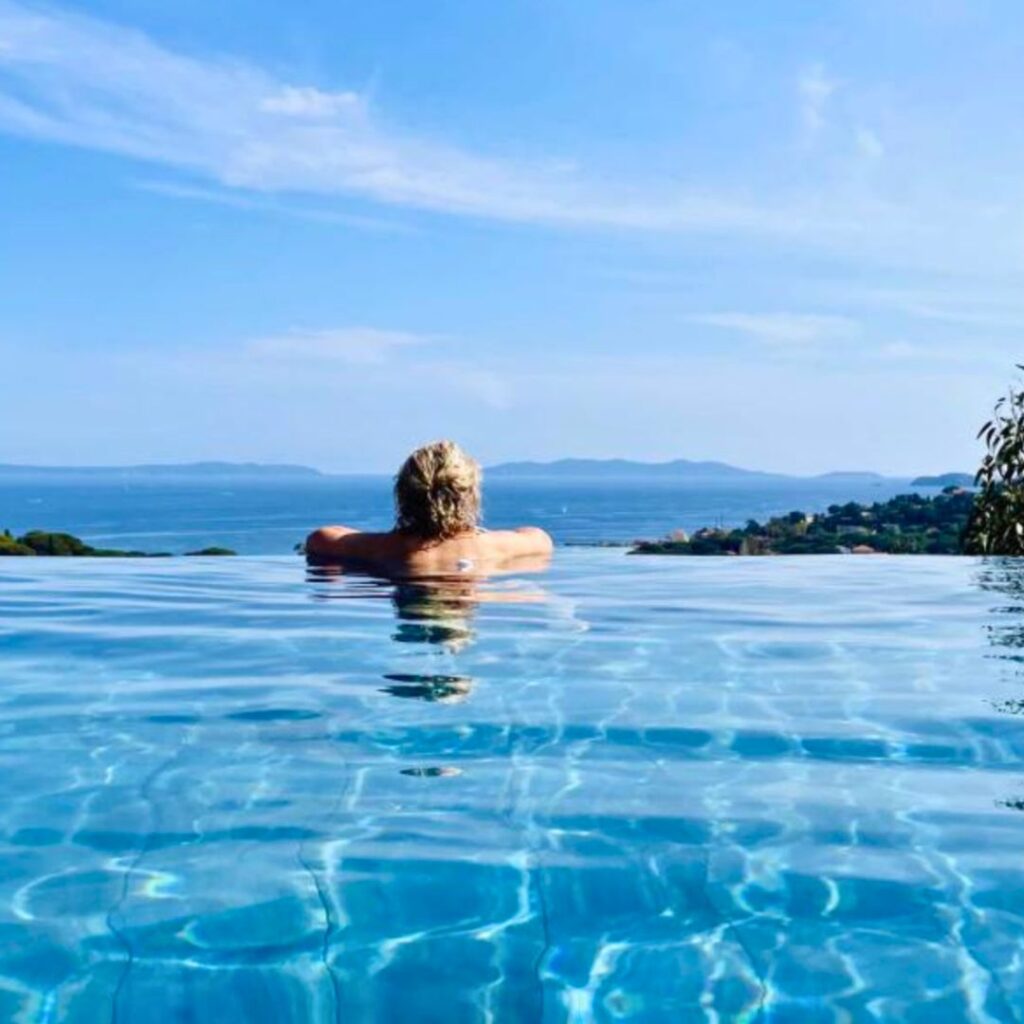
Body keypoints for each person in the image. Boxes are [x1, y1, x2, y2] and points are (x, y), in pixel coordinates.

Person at [305, 440, 553, 573]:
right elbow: (540, 538)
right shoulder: (495, 547)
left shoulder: (379, 549)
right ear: (469, 495)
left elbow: (322, 537)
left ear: (402, 492)